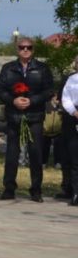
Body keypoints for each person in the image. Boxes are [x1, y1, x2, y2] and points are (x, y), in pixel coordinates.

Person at [0, 37, 54, 202]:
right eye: (22, 47)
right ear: (17, 49)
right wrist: (13, 100)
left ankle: (36, 190)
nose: (25, 50)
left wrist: (32, 100)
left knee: (35, 153)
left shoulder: (42, 68)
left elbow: (49, 90)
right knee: (12, 153)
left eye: (28, 47)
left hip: (34, 116)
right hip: (14, 116)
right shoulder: (8, 68)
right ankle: (9, 189)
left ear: (33, 50)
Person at [59, 58, 78, 206]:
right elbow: (65, 98)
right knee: (74, 157)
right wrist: (73, 111)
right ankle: (75, 192)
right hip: (73, 118)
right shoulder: (71, 79)